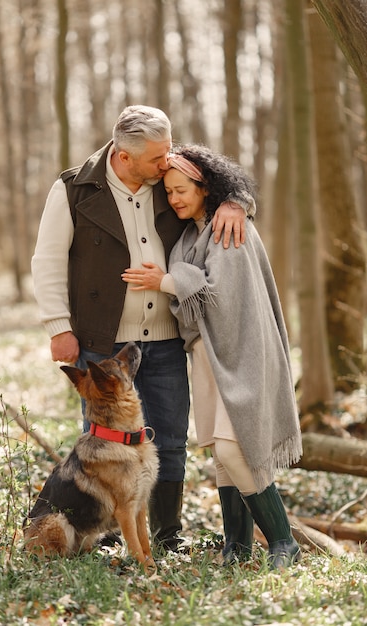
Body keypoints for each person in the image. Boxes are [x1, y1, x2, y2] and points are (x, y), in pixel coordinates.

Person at [31, 106, 256, 553]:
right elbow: (48, 260)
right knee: (108, 446)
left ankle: (167, 535)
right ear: (123, 155)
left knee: (169, 441)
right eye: (157, 158)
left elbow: (222, 182)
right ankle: (111, 533)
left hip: (168, 336)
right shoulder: (74, 188)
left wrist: (237, 202)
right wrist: (59, 326)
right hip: (102, 341)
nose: (167, 162)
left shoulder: (167, 174)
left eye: (169, 152)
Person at [121, 144, 302, 569]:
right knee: (222, 454)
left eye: (182, 189)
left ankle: (283, 540)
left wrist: (166, 281)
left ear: (207, 188)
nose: (175, 199)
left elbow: (221, 301)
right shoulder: (190, 234)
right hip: (205, 354)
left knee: (234, 447)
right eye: (169, 192)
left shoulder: (228, 230)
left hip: (241, 352)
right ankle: (236, 547)